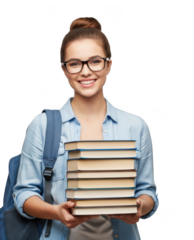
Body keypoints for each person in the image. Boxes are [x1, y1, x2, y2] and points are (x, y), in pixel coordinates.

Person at [13, 16, 159, 240]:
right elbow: (24, 194)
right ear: (64, 70)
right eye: (74, 63)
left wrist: (139, 207)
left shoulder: (136, 126)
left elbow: (148, 191)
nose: (85, 71)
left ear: (109, 64)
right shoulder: (42, 125)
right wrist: (55, 212)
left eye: (95, 61)